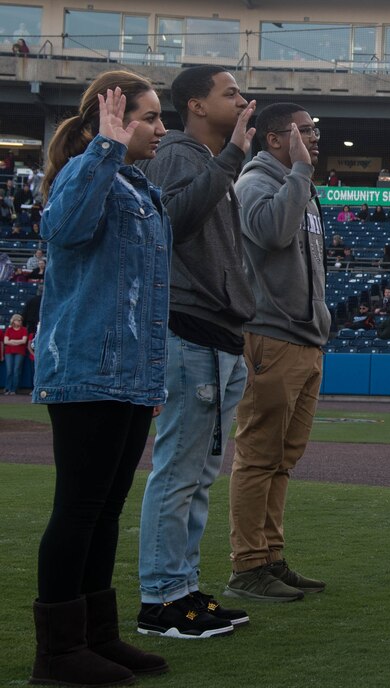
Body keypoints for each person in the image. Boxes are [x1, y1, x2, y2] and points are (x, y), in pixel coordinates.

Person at [32, 71, 170, 687]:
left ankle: (96, 635)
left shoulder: (139, 187)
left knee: (106, 508)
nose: (161, 128)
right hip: (87, 367)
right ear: (109, 120)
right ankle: (58, 654)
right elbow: (62, 230)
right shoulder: (87, 173)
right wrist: (106, 147)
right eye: (149, 116)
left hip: (129, 372)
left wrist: (152, 377)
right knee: (80, 508)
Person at [136, 65, 256, 638]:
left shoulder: (207, 162)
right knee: (180, 471)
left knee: (198, 474)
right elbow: (175, 221)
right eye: (229, 92)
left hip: (216, 333)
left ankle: (181, 589)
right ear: (197, 105)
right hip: (189, 331)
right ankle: (160, 598)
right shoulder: (183, 154)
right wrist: (231, 156)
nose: (242, 99)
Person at [226, 102, 331, 602]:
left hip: (305, 339)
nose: (315, 138)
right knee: (258, 456)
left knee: (282, 460)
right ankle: (248, 566)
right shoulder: (255, 182)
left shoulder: (297, 183)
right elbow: (271, 233)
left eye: (314, 130)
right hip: (271, 337)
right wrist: (301, 174)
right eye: (305, 131)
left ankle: (270, 556)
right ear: (274, 138)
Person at [4, 312, 28, 393]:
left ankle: (14, 389)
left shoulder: (24, 330)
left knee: (16, 370)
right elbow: (5, 341)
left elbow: (24, 341)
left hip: (20, 352)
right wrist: (18, 342)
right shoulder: (9, 329)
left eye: (20, 320)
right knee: (9, 370)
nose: (20, 322)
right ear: (13, 321)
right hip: (9, 352)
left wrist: (12, 341)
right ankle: (7, 388)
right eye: (18, 320)